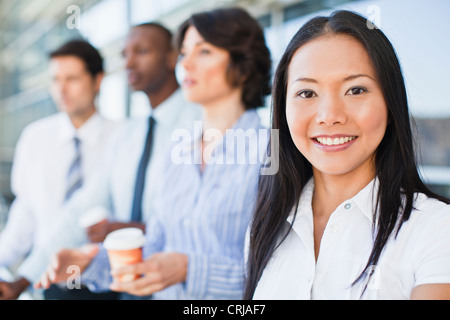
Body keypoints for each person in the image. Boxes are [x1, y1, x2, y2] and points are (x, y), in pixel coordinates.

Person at [37, 7, 272, 300]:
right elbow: (155, 249)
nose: (185, 65)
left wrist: (189, 268)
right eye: (184, 54)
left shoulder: (270, 151)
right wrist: (90, 263)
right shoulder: (179, 151)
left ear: (244, 63)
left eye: (204, 52)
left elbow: (276, 274)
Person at [244, 10, 450, 300]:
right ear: (282, 109)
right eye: (307, 93)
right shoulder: (265, 226)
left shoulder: (437, 229)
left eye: (355, 90)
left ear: (390, 105)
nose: (330, 116)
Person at [8, 22, 201, 300]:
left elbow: (211, 223)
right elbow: (79, 210)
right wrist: (24, 278)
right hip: (122, 288)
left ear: (173, 57)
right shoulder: (128, 135)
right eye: (124, 55)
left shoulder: (202, 124)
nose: (129, 62)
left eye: (142, 51)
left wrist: (142, 231)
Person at [0, 40, 119, 300]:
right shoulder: (35, 138)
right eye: (55, 79)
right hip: (49, 280)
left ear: (97, 81)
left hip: (110, 282)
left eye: (72, 79)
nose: (61, 89)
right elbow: (25, 213)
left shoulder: (123, 138)